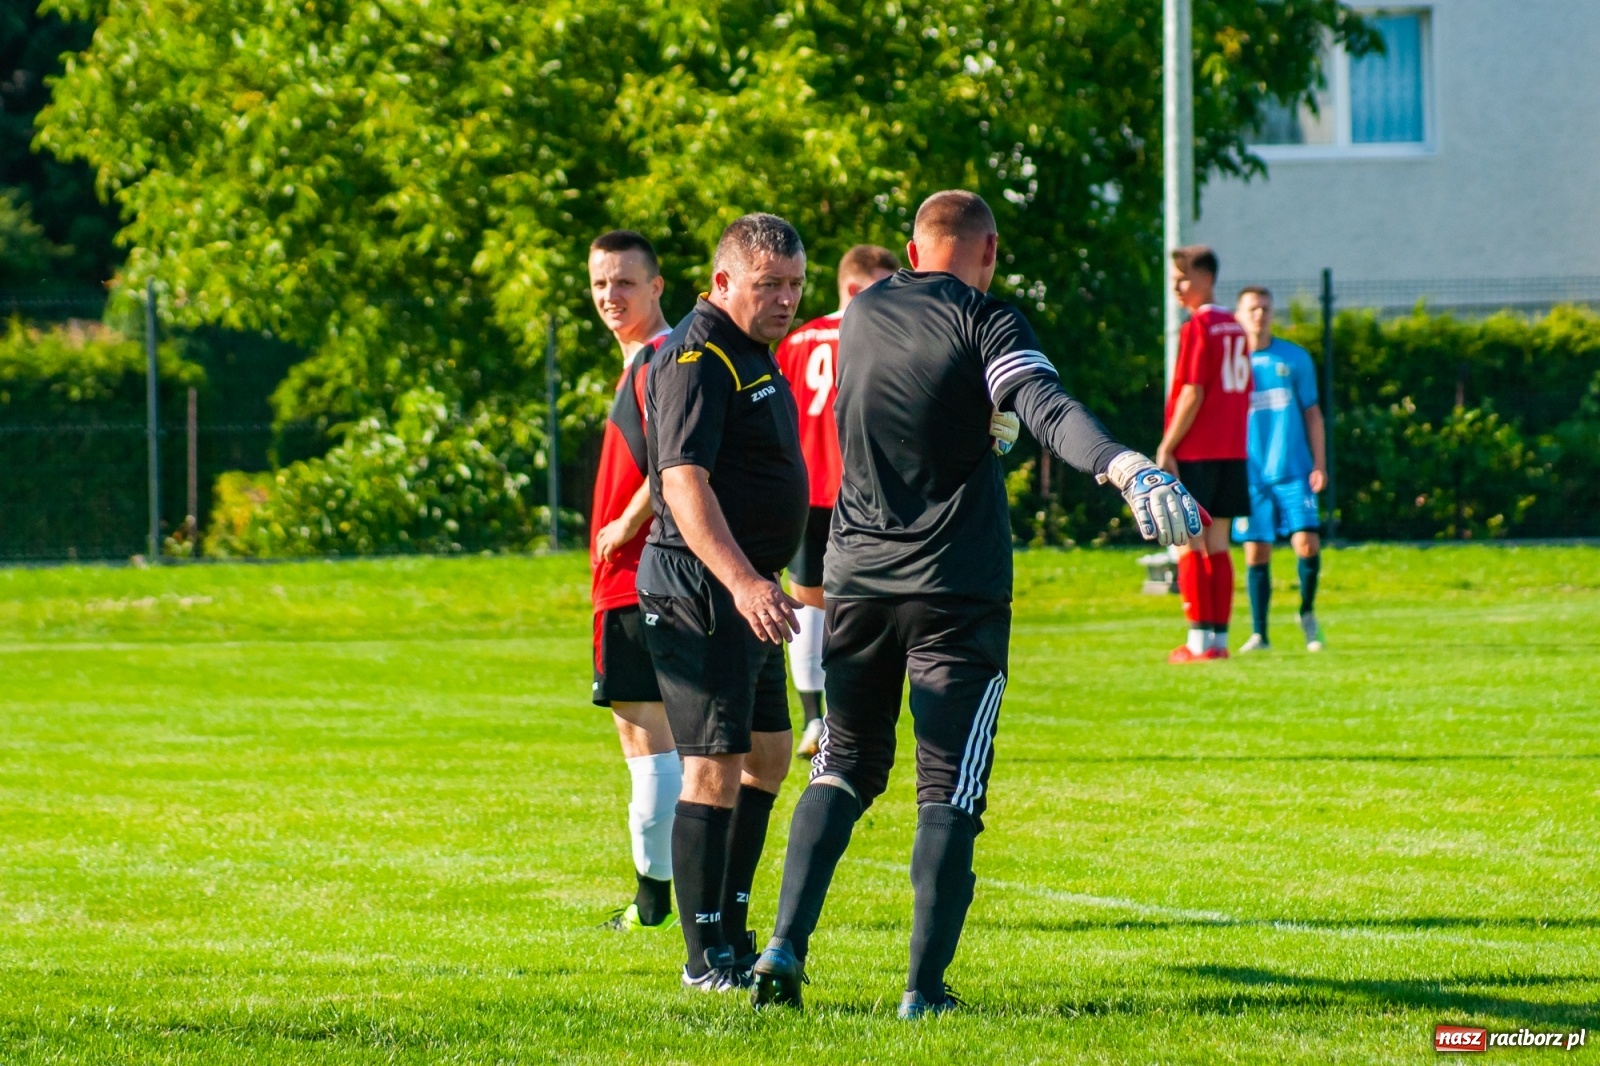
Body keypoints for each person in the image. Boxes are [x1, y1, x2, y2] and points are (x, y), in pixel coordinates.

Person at [748, 191, 1202, 1018]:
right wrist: (1124, 464)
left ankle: (783, 945)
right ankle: (923, 991)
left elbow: (903, 413)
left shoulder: (861, 316)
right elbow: (1045, 407)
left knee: (842, 764)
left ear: (911, 252)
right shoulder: (987, 319)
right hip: (954, 590)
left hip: (857, 581)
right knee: (948, 788)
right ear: (989, 251)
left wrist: (976, 421)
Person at [639, 213, 811, 992]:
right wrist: (744, 582)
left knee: (768, 754)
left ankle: (733, 930)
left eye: (795, 284)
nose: (785, 299)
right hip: (701, 589)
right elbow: (683, 482)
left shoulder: (751, 350)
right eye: (769, 284)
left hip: (750, 592)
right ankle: (704, 958)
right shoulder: (697, 356)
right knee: (713, 765)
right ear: (722, 282)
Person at [774, 243, 902, 760]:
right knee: (867, 604)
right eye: (885, 287)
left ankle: (814, 718)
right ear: (854, 288)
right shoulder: (881, 335)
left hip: (800, 493)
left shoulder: (796, 340)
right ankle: (850, 718)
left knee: (807, 605)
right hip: (864, 492)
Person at [586, 230, 680, 932]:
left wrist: (623, 524)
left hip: (637, 579)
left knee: (647, 742)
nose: (610, 296)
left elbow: (675, 459)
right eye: (599, 284)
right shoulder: (645, 363)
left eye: (624, 282)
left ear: (656, 286)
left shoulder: (658, 361)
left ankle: (653, 905)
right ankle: (667, 900)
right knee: (659, 742)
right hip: (645, 579)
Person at [1155, 246, 1252, 663]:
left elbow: (1192, 392)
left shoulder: (1198, 326)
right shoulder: (1237, 327)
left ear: (1207, 279)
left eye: (1184, 279)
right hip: (1232, 449)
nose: (1177, 287)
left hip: (1197, 450)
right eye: (1175, 279)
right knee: (1219, 543)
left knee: (1189, 544)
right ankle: (1219, 641)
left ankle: (1197, 642)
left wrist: (1167, 446)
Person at [1231, 287, 1327, 652]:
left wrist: (1319, 464)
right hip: (1250, 475)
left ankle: (1307, 613)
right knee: (1256, 552)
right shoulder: (1232, 363)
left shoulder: (1294, 358)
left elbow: (1312, 413)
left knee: (1307, 544)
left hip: (1293, 471)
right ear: (1238, 316)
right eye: (1252, 309)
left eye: (1265, 308)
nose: (1260, 315)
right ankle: (1260, 634)